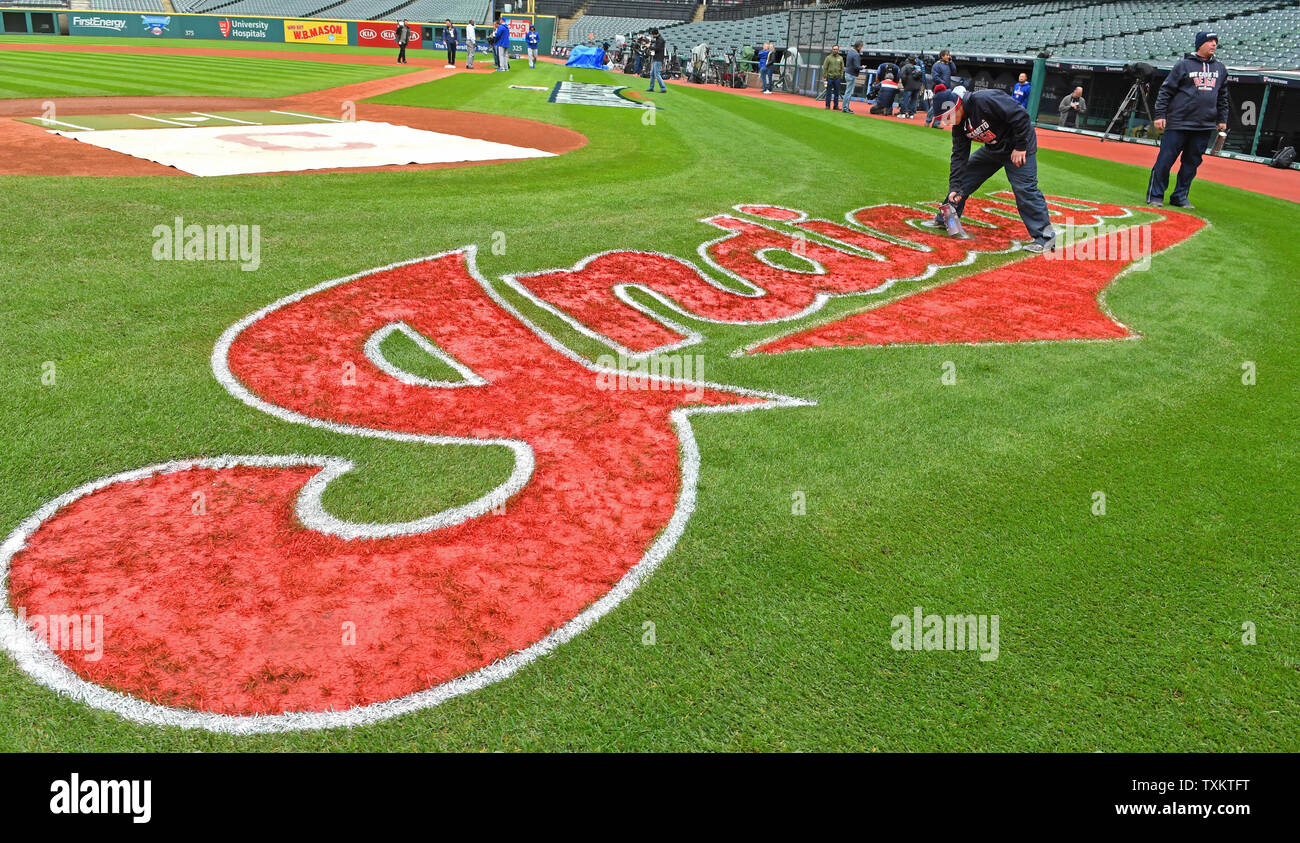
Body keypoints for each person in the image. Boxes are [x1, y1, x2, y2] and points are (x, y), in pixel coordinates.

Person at [925, 89, 1056, 253]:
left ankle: (1045, 239)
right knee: (963, 180)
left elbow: (1020, 115)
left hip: (1018, 147)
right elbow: (959, 156)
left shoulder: (984, 100)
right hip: (994, 148)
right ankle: (946, 220)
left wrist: (1021, 146)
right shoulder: (959, 126)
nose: (946, 122)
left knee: (1025, 188)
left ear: (957, 106)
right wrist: (954, 186)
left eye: (946, 116)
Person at [1146, 31, 1230, 209]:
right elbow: (1166, 91)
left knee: (1191, 164)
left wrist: (1222, 119)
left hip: (1204, 125)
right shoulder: (1183, 65)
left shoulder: (1220, 69)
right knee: (1165, 160)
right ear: (1200, 44)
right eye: (1210, 41)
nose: (1214, 44)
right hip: (1178, 122)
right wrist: (1160, 115)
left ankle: (1180, 197)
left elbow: (1223, 96)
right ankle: (1155, 195)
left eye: (1215, 41)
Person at [822, 45, 845, 111]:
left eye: (836, 49)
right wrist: (825, 76)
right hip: (829, 77)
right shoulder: (828, 58)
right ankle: (827, 105)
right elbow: (825, 67)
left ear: (838, 50)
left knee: (837, 93)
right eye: (834, 49)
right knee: (828, 92)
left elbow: (842, 68)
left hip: (837, 78)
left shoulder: (840, 58)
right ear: (832, 50)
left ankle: (835, 106)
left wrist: (841, 76)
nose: (835, 50)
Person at [842, 41, 862, 113]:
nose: (861, 48)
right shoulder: (856, 54)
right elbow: (857, 66)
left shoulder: (850, 51)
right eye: (861, 47)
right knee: (848, 92)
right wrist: (862, 67)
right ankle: (845, 108)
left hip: (848, 73)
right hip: (851, 74)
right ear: (859, 46)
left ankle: (846, 107)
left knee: (848, 92)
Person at [647, 28, 667, 93]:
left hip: (658, 59)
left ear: (655, 34)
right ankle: (651, 87)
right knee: (652, 74)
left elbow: (657, 48)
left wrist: (649, 47)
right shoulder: (658, 39)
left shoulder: (660, 40)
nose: (652, 36)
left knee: (657, 74)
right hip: (656, 58)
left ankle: (663, 88)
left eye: (653, 34)